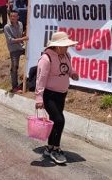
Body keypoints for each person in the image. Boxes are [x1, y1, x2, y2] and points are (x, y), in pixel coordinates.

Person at [35, 32, 79, 164]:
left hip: (61, 94)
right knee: (59, 120)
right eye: (65, 45)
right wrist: (39, 98)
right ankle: (55, 149)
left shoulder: (67, 55)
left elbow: (68, 70)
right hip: (50, 95)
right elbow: (40, 79)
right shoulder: (46, 58)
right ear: (57, 46)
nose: (67, 48)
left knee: (55, 121)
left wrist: (73, 73)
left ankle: (50, 148)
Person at [4, 10, 28, 93]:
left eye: (15, 16)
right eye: (11, 16)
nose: (13, 18)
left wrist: (26, 33)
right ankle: (14, 87)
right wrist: (23, 39)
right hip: (14, 50)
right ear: (9, 17)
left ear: (18, 17)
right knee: (14, 67)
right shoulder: (7, 27)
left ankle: (30, 79)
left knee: (33, 57)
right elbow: (11, 40)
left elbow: (22, 35)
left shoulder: (20, 24)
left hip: (22, 47)